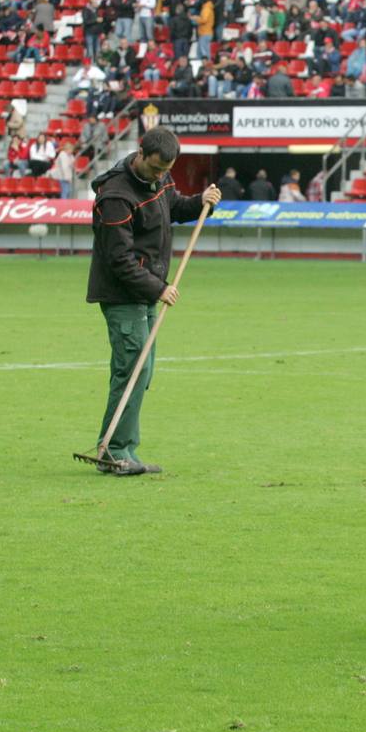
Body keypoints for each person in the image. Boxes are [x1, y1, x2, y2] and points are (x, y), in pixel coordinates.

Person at [85, 127, 222, 476]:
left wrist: (201, 201)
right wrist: (157, 288)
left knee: (142, 372)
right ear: (141, 154)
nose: (162, 176)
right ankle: (115, 451)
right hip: (123, 294)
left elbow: (172, 207)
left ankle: (123, 448)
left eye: (167, 170)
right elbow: (119, 260)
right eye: (157, 169)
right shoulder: (116, 196)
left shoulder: (160, 180)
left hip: (146, 291)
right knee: (131, 369)